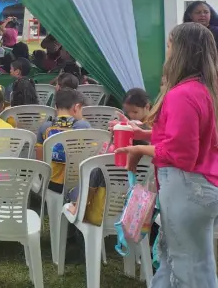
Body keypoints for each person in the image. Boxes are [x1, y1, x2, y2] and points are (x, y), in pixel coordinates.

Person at [115, 22, 218, 286]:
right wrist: (144, 134)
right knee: (176, 261)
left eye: (169, 45)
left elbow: (181, 153)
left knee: (187, 269)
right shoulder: (205, 90)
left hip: (187, 188)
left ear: (182, 51)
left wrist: (139, 149)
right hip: (201, 186)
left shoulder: (181, 94)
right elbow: (192, 137)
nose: (167, 52)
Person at [35, 88, 90, 194]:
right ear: (77, 107)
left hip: (51, 184)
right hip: (77, 183)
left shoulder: (45, 127)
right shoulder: (83, 126)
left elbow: (40, 159)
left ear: (56, 107)